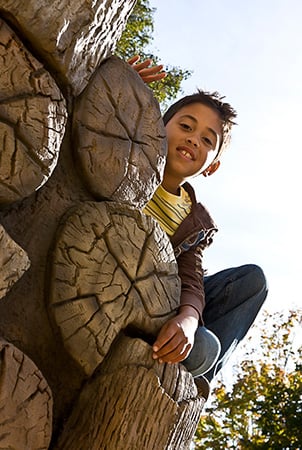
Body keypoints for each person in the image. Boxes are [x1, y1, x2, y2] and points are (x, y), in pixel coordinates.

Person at [129, 56, 268, 385]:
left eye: (207, 140)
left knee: (213, 336)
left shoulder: (195, 221)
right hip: (113, 279)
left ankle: (193, 381)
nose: (194, 139)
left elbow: (191, 279)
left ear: (212, 166)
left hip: (160, 300)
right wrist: (125, 87)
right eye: (186, 126)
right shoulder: (129, 160)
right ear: (159, 127)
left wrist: (189, 319)